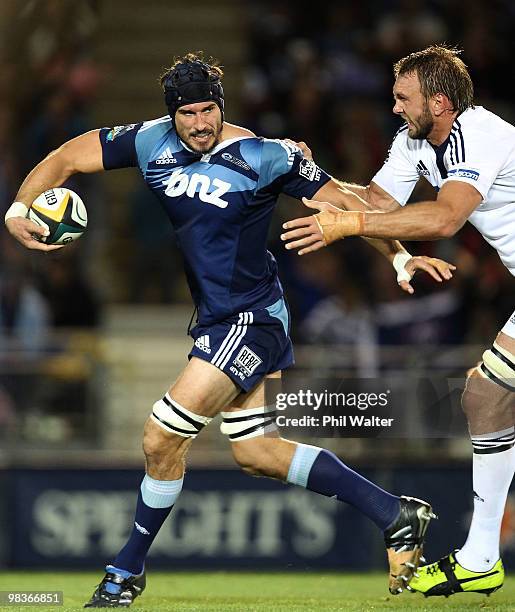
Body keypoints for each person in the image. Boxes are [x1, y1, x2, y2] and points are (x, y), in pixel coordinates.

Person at [5, 53, 451, 607]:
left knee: (160, 435)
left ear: (223, 106)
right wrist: (18, 209)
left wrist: (398, 256)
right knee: (256, 453)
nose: (199, 123)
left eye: (208, 110)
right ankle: (395, 513)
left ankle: (126, 571)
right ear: (172, 116)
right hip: (217, 319)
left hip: (252, 318)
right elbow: (69, 155)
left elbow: (346, 202)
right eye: (188, 113)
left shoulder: (266, 156)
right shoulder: (148, 142)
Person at [281, 44, 513, 597]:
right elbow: (380, 202)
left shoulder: (479, 135)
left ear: (440, 102)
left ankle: (482, 555)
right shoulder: (416, 140)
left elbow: (446, 216)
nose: (393, 108)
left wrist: (348, 225)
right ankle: (482, 557)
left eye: (402, 99)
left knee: (486, 392)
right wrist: (307, 171)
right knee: (485, 395)